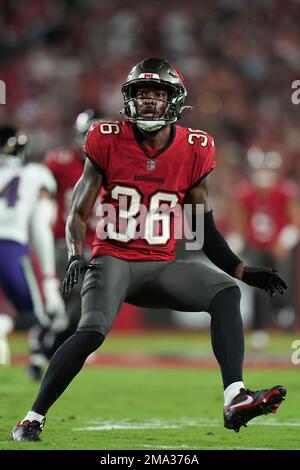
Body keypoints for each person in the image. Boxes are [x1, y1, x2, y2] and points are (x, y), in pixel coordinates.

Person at [11, 58, 287, 441]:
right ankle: (32, 418)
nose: (149, 103)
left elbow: (199, 229)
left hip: (161, 264)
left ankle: (234, 396)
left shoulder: (194, 147)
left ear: (174, 102)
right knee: (91, 330)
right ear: (129, 99)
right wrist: (77, 254)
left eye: (159, 95)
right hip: (113, 259)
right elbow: (79, 211)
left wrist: (242, 271)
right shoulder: (106, 137)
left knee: (225, 293)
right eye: (142, 95)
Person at [0, 126, 66, 372]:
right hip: (10, 249)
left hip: (10, 248)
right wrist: (49, 278)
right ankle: (37, 359)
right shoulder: (36, 174)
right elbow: (40, 228)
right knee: (46, 314)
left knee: (11, 310)